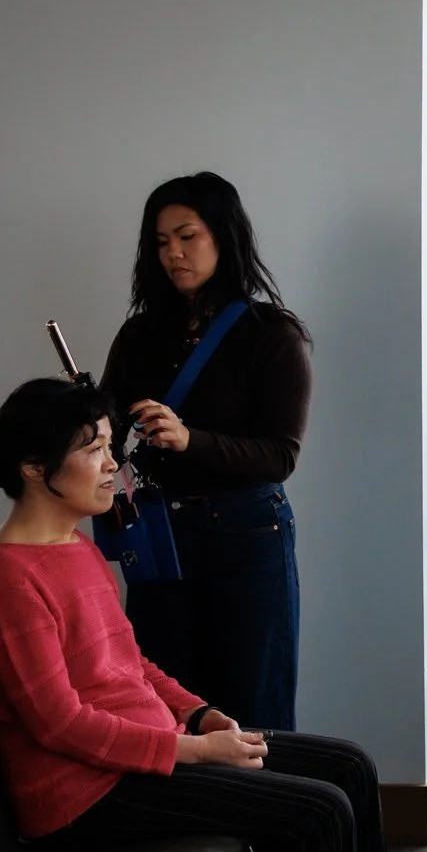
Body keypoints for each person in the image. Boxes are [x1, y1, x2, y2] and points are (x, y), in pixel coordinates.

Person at [0, 379, 392, 852]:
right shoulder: (7, 577)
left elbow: (129, 662)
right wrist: (197, 751)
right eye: (94, 450)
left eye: (111, 446)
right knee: (316, 811)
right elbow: (59, 724)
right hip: (86, 794)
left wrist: (201, 714)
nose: (113, 465)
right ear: (35, 467)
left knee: (350, 767)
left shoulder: (75, 546)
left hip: (143, 758)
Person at [99, 172, 312, 732]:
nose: (173, 253)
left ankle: (261, 819)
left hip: (247, 537)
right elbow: (108, 431)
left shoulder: (273, 335)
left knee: (253, 707)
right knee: (161, 704)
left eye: (187, 236)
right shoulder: (140, 335)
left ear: (223, 234)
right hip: (160, 540)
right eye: (161, 242)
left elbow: (279, 457)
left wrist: (190, 439)